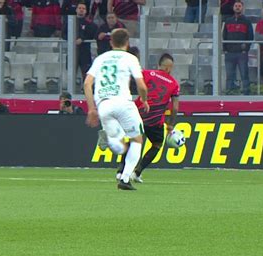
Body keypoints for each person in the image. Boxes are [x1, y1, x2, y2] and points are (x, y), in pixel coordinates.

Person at [84, 28, 150, 191]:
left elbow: (87, 83)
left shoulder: (101, 58)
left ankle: (110, 137)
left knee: (119, 141)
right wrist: (144, 99)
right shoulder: (130, 58)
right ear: (127, 43)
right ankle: (125, 178)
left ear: (111, 42)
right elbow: (141, 85)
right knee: (137, 140)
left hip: (103, 105)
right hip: (123, 102)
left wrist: (92, 109)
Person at [114, 53, 180, 183]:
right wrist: (171, 124)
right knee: (157, 144)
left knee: (133, 140)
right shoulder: (174, 84)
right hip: (155, 120)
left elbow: (133, 80)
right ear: (169, 67)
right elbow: (176, 107)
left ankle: (121, 171)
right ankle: (137, 173)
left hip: (138, 113)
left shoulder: (148, 73)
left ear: (159, 65)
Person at [222, 0, 254, 95]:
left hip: (241, 53)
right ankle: (229, 91)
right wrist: (225, 49)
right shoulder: (228, 21)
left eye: (239, 6)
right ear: (233, 7)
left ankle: (246, 91)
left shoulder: (247, 21)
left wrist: (245, 49)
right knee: (229, 75)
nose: (237, 7)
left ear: (242, 8)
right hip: (230, 53)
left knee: (244, 74)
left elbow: (250, 36)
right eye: (236, 6)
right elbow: (224, 35)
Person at [63, 3, 98, 81]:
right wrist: (71, 39)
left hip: (84, 51)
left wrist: (83, 39)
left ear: (86, 11)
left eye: (83, 8)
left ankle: (85, 90)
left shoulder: (90, 24)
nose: (81, 10)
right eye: (79, 8)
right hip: (72, 51)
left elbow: (93, 34)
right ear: (76, 10)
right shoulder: (69, 21)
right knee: (71, 72)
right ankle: (70, 91)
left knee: (86, 72)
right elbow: (63, 34)